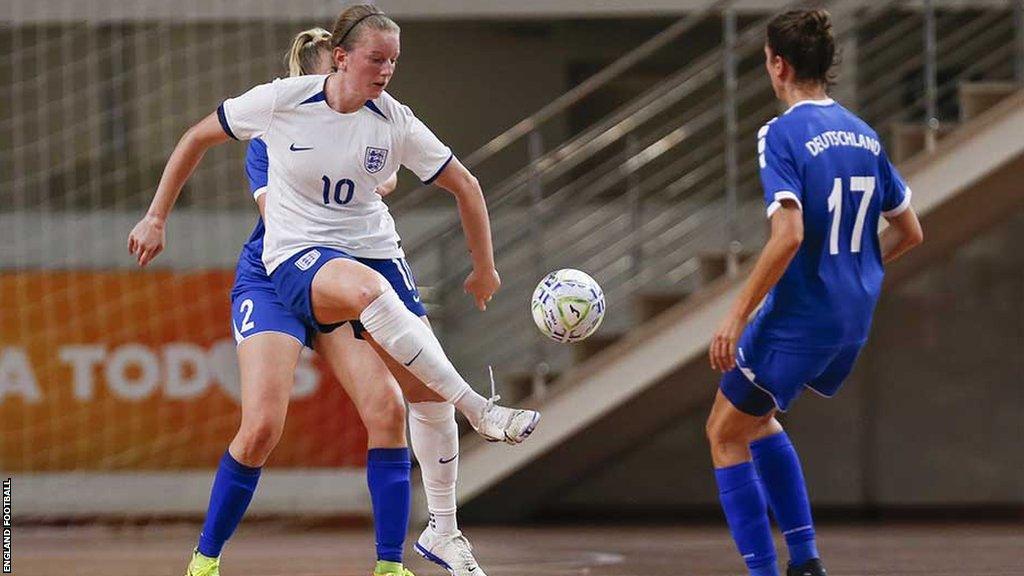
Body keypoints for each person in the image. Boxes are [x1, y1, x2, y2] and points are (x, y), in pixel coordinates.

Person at [128, 6, 539, 575]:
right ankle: (205, 559)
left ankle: (408, 554)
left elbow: (445, 182)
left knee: (393, 407)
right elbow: (275, 204)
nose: (386, 71)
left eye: (393, 61)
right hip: (283, 270)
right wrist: (156, 217)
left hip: (352, 267)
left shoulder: (390, 119)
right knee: (262, 428)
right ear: (334, 64)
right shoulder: (276, 117)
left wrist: (483, 265)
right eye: (375, 60)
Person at [704, 10, 923, 576]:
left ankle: (765, 571)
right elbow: (909, 231)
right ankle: (805, 562)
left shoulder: (781, 133)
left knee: (723, 433)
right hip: (852, 314)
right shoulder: (865, 134)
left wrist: (735, 315)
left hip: (799, 315)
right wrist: (852, 269)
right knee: (757, 419)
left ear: (778, 65)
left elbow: (790, 233)